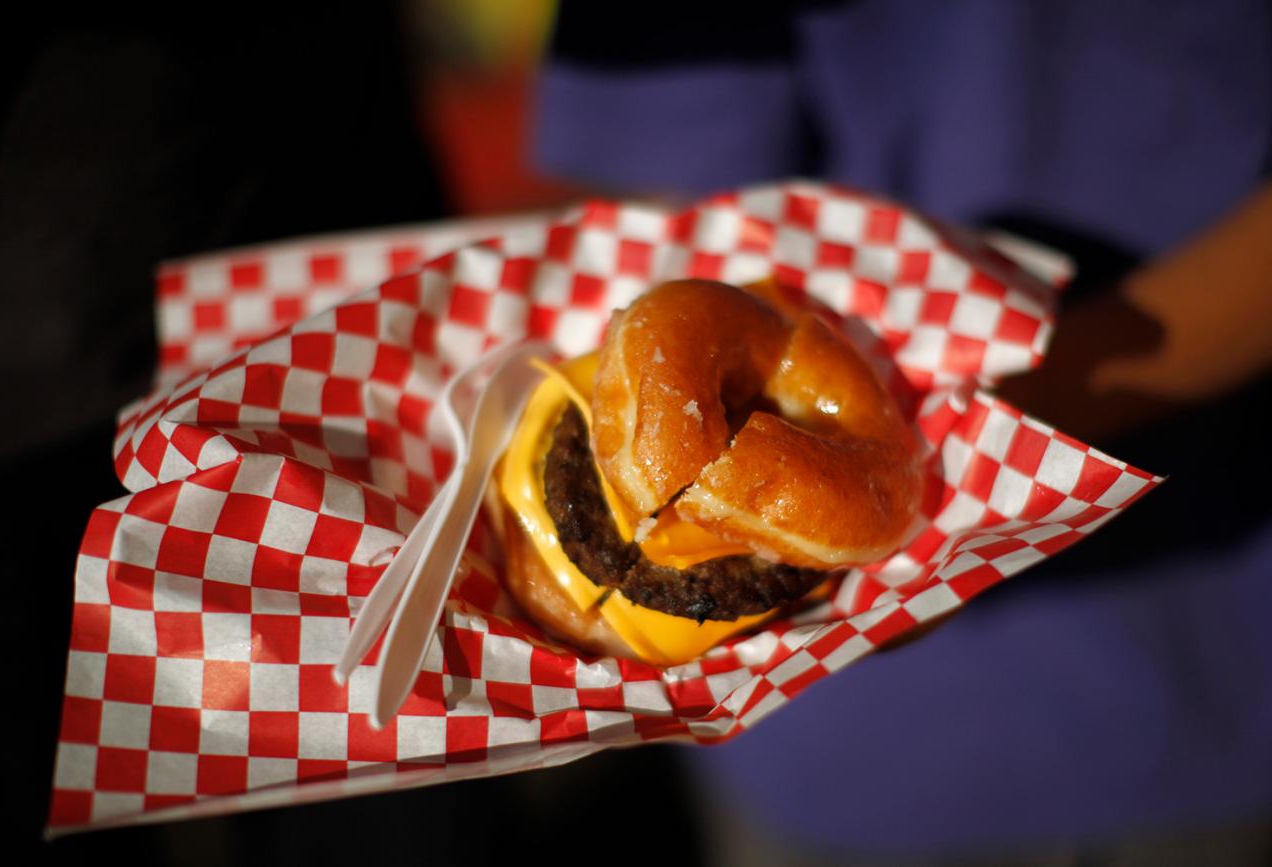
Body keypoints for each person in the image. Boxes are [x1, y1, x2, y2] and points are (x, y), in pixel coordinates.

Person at [533, 1, 1272, 861]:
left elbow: (663, 197)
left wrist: (982, 448)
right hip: (842, 734)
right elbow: (673, 235)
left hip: (1191, 676)